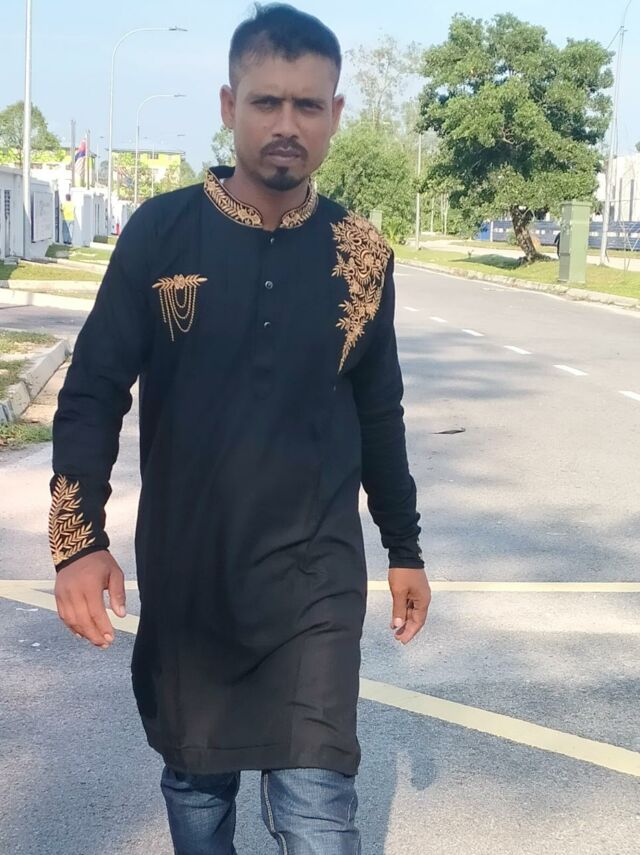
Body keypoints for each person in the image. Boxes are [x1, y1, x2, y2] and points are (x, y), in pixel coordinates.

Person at [48, 4, 431, 853]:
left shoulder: (363, 254)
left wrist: (404, 547)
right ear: (230, 106)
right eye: (266, 102)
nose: (286, 124)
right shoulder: (161, 233)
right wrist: (77, 541)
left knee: (318, 814)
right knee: (198, 797)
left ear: (335, 114)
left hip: (315, 584)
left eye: (307, 105)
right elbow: (93, 390)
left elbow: (380, 412)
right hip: (192, 584)